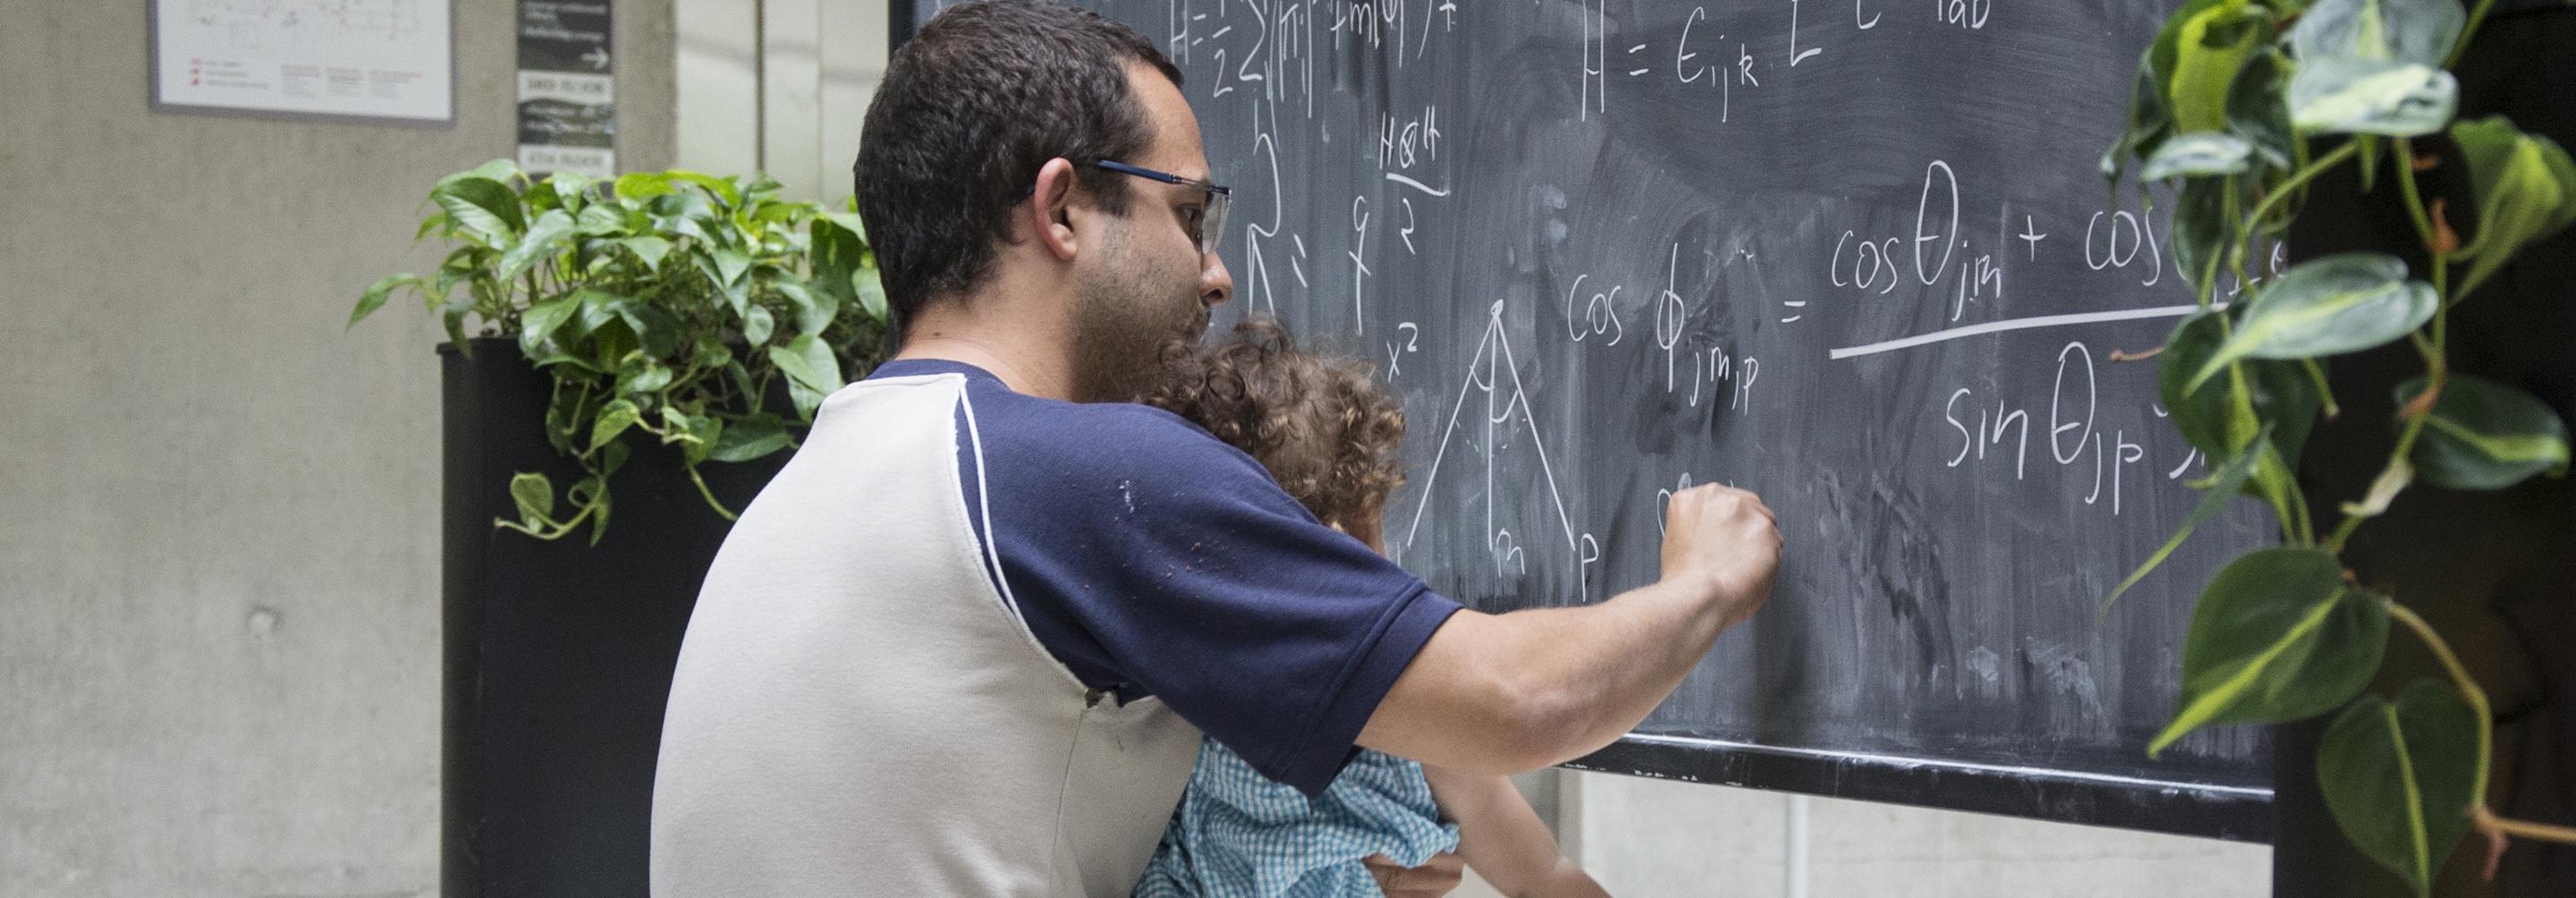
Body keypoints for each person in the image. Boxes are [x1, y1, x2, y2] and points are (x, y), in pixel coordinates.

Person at [648, 3, 1782, 897]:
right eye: (1188, 214)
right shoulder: (1079, 475)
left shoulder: (814, 484)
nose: (1216, 275)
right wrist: (1707, 583)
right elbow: (1519, 698)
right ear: (1062, 211)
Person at [1134, 319, 1610, 898]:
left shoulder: (1179, 702)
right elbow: (1544, 876)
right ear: (1351, 544)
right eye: (1377, 533)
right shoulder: (1420, 726)